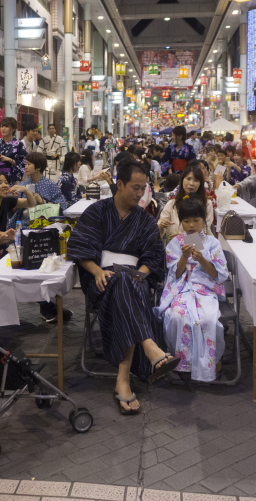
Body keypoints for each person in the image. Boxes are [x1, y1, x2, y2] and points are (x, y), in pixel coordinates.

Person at [67, 161, 180, 414]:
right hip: (101, 280)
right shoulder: (96, 212)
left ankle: (123, 378)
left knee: (126, 284)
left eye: (144, 188)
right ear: (119, 185)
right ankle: (150, 347)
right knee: (121, 284)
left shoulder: (146, 220)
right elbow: (78, 248)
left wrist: (138, 275)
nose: (140, 194)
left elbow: (153, 258)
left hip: (134, 281)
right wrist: (96, 271)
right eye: (135, 188)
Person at [155, 197, 228, 382]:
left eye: (196, 220)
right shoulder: (175, 243)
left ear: (204, 220)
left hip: (205, 290)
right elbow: (176, 275)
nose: (191, 225)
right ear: (181, 222)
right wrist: (184, 257)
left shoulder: (212, 243)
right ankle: (183, 364)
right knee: (177, 316)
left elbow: (217, 275)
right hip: (182, 289)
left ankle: (210, 363)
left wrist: (202, 259)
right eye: (186, 221)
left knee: (208, 319)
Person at [0, 171, 37, 256]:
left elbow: (32, 204)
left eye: (6, 182)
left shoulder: (6, 201)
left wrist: (26, 190)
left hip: (2, 244)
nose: (5, 185)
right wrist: (7, 234)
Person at [11, 152, 66, 229]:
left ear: (38, 167)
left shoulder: (51, 185)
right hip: (25, 225)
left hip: (47, 225)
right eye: (25, 164)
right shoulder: (22, 185)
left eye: (28, 164)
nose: (25, 167)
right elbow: (14, 211)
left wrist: (42, 201)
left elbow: (61, 206)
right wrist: (13, 200)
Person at [157, 166, 214, 240]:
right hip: (174, 247)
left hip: (198, 246)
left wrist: (183, 238)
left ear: (201, 184)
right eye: (188, 179)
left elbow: (205, 231)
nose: (191, 183)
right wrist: (162, 225)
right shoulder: (172, 203)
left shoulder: (206, 204)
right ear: (182, 180)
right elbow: (160, 226)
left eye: (196, 180)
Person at [0, 117, 26, 184]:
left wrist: (9, 160)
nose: (3, 129)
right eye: (1, 126)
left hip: (11, 177)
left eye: (6, 126)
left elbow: (24, 162)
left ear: (13, 129)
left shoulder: (19, 144)